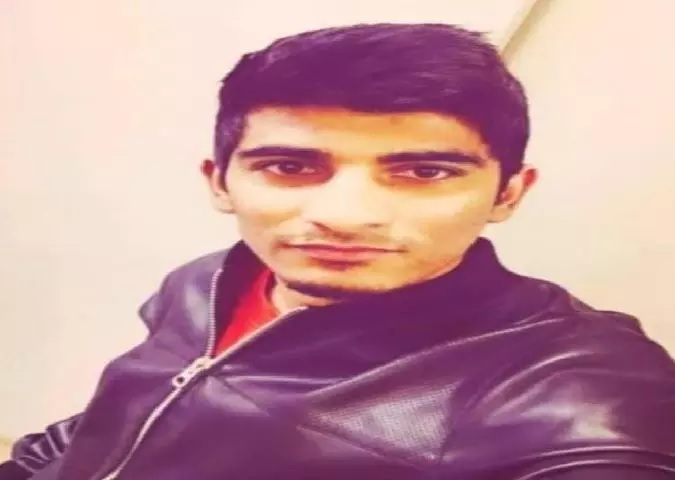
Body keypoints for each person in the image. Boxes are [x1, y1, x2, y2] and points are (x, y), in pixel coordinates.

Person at [2, 23, 675, 480]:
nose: (344, 216)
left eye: (424, 172)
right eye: (290, 167)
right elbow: (112, 423)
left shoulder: (574, 385)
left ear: (508, 193)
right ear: (220, 182)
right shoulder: (204, 283)